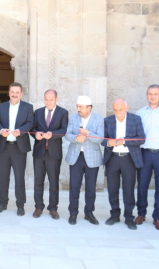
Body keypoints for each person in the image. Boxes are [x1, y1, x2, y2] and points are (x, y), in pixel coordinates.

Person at [102, 98, 145, 230]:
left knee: (128, 189)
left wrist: (124, 141)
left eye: (120, 109)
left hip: (129, 159)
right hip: (113, 158)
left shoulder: (135, 119)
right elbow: (103, 139)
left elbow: (141, 139)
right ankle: (114, 214)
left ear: (126, 108)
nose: (118, 112)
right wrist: (108, 142)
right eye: (115, 110)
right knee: (112, 189)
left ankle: (129, 217)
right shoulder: (108, 120)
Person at [0, 82, 34, 216]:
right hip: (4, 147)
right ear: (9, 93)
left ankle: (20, 204)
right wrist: (0, 130)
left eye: (17, 92)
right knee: (3, 177)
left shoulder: (28, 107)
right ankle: (2, 203)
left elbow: (30, 123)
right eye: (12, 92)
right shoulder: (2, 106)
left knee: (19, 177)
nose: (15, 94)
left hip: (19, 147)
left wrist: (20, 131)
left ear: (21, 94)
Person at [65, 96, 104, 225]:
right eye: (77, 106)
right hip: (76, 157)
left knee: (90, 187)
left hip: (92, 157)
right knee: (74, 186)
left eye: (80, 107)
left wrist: (88, 134)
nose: (78, 109)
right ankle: (73, 213)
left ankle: (89, 213)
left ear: (89, 108)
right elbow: (67, 134)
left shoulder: (98, 119)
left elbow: (100, 138)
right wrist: (76, 139)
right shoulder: (73, 118)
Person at [31, 89, 68, 219]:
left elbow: (64, 130)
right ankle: (38, 207)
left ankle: (53, 208)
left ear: (56, 99)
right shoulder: (38, 112)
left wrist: (52, 135)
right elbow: (32, 129)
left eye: (51, 100)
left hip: (54, 153)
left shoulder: (63, 112)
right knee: (38, 182)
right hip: (39, 152)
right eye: (46, 99)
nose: (48, 102)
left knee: (53, 182)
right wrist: (36, 134)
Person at [135, 84, 159, 230]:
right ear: (147, 95)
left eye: (156, 94)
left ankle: (158, 217)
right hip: (144, 153)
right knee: (142, 185)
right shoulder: (139, 114)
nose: (153, 96)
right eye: (150, 94)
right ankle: (141, 213)